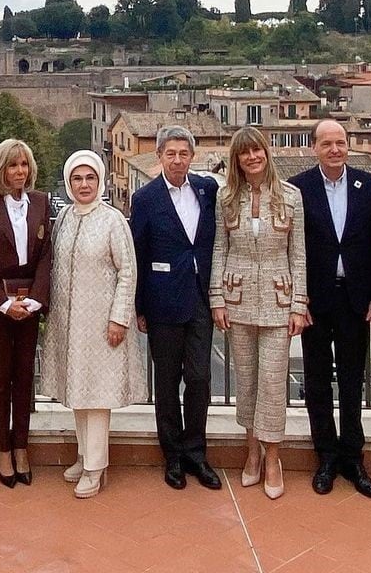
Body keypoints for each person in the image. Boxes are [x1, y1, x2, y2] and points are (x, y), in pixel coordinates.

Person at [210, 126, 307, 500]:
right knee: (247, 381)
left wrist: (299, 305)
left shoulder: (291, 197)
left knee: (272, 382)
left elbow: (298, 254)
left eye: (257, 150)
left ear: (266, 153)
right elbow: (220, 248)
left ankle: (273, 459)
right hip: (237, 300)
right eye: (244, 152)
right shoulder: (225, 198)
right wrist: (217, 299)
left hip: (279, 301)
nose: (252, 157)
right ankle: (252, 451)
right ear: (236, 159)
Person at [41, 150, 144, 498]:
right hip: (70, 324)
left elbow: (127, 271)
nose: (84, 185)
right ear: (68, 182)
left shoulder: (112, 220)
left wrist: (119, 318)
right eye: (77, 178)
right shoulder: (65, 217)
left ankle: (95, 467)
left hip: (102, 325)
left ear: (100, 181)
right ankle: (84, 455)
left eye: (90, 178)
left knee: (98, 395)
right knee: (78, 391)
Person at [288, 120, 371, 498]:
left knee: (352, 379)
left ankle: (353, 458)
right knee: (316, 381)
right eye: (326, 143)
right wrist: (298, 299)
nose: (334, 149)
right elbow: (291, 248)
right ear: (314, 147)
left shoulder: (368, 185)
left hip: (355, 300)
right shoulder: (298, 188)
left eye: (340, 143)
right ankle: (325, 456)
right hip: (315, 300)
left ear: (348, 146)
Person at [130, 125, 221, 491]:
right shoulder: (145, 198)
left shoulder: (207, 190)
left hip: (200, 297)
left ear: (192, 157)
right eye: (171, 154)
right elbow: (138, 253)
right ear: (160, 157)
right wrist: (138, 307)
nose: (178, 160)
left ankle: (196, 453)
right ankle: (172, 456)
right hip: (162, 301)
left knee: (199, 379)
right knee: (166, 383)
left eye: (184, 154)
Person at [0, 139, 52, 487]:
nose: (19, 171)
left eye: (24, 164)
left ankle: (21, 447)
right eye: (12, 165)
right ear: (0, 169)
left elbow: (46, 256)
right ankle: (3, 449)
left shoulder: (42, 202)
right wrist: (3, 303)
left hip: (29, 304)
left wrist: (35, 300)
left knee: (24, 378)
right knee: (1, 379)